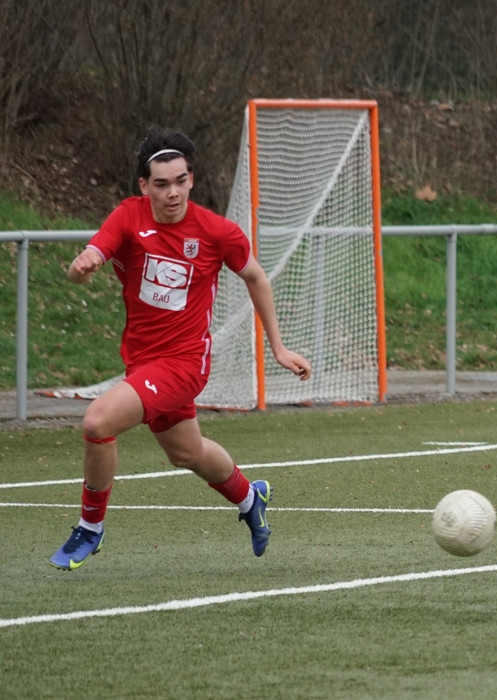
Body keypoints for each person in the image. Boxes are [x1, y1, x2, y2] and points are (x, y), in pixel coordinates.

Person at [49, 126, 312, 570]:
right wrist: (82, 267)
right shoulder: (128, 217)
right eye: (161, 184)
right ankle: (250, 498)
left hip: (186, 363)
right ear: (144, 186)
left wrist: (279, 347)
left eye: (180, 181)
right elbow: (85, 264)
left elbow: (256, 277)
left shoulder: (216, 231)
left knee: (97, 421)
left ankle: (90, 528)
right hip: (142, 361)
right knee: (186, 453)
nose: (172, 192)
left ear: (192, 179)